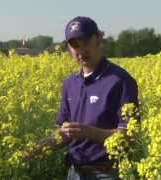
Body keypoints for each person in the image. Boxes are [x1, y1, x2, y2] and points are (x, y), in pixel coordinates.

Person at [24, 16, 139, 180]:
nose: (81, 50)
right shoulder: (70, 84)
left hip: (107, 173)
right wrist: (35, 149)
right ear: (69, 49)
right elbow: (65, 134)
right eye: (75, 45)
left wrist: (89, 132)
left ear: (98, 38)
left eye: (85, 42)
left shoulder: (120, 80)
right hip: (74, 173)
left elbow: (129, 137)